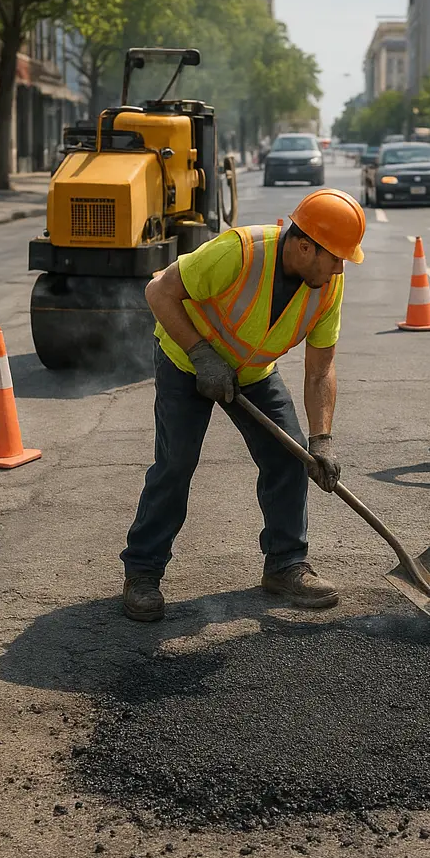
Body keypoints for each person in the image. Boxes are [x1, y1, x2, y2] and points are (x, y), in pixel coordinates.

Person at [121, 189, 365, 621]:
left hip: (252, 372)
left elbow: (320, 370)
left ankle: (286, 564)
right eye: (335, 258)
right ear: (304, 246)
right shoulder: (240, 252)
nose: (340, 268)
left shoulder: (327, 286)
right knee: (176, 463)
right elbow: (158, 292)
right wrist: (201, 354)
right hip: (186, 362)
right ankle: (142, 572)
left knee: (290, 456)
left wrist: (322, 440)